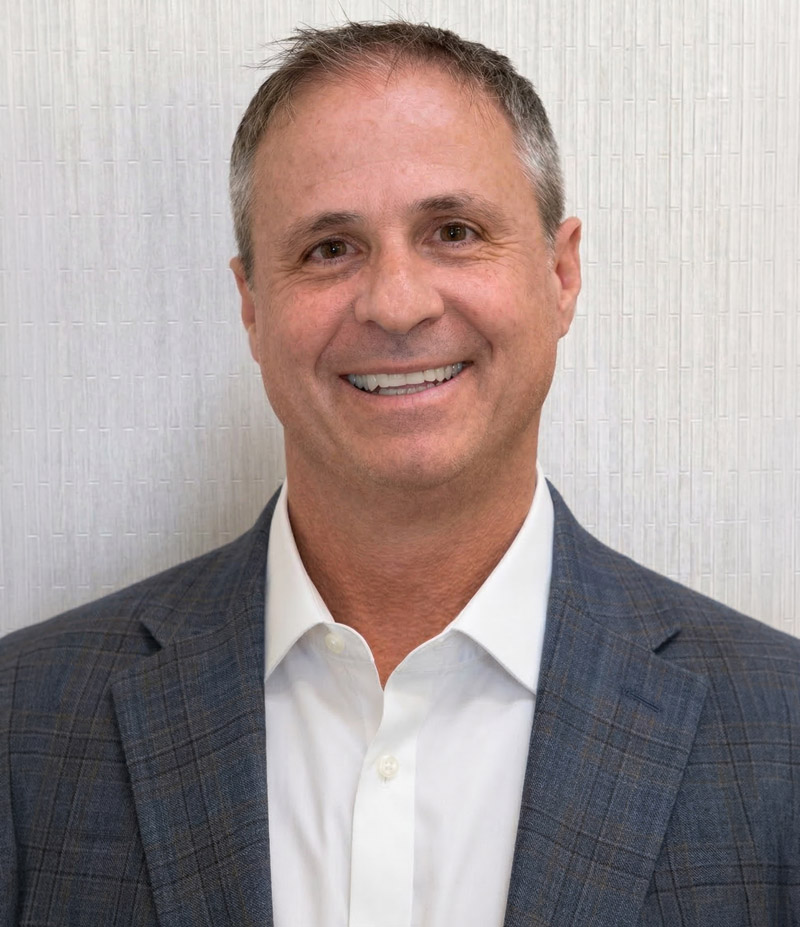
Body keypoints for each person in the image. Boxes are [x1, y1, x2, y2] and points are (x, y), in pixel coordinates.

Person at [1, 20, 798, 927]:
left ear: (562, 273)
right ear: (253, 308)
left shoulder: (779, 733)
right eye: (330, 248)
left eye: (453, 231)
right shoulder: (22, 726)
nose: (397, 304)